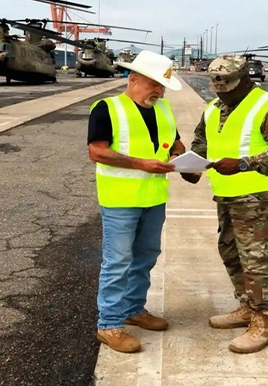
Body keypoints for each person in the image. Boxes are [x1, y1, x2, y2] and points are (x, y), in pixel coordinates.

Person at [190, 55, 268, 354]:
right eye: (218, 88)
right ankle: (247, 307)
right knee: (231, 253)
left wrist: (242, 164)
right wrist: (192, 165)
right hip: (227, 196)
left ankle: (264, 323)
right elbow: (201, 141)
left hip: (263, 199)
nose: (223, 93)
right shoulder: (214, 108)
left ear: (245, 79)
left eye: (228, 87)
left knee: (258, 262)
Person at [87, 50, 187, 353]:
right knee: (118, 262)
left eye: (162, 86)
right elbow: (97, 152)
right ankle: (109, 325)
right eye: (154, 84)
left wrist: (181, 158)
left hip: (154, 198)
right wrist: (143, 164)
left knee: (146, 257)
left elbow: (174, 141)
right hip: (120, 199)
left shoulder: (163, 108)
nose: (159, 91)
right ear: (133, 80)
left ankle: (133, 309)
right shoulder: (107, 108)